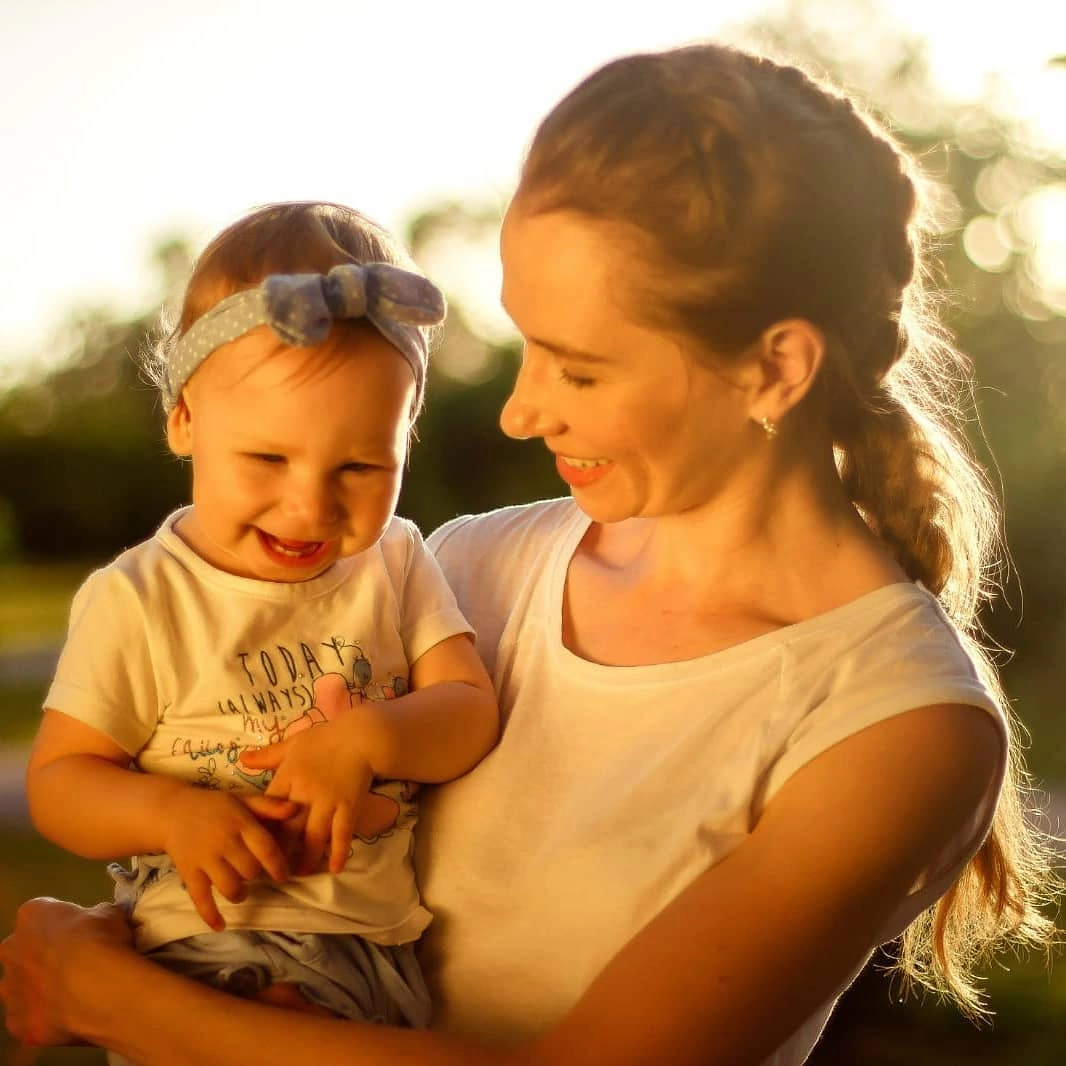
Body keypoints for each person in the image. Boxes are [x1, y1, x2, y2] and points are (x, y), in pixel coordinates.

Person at [1, 42, 1059, 1066]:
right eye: (525, 343)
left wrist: (107, 995)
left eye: (580, 368)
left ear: (775, 366)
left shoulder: (897, 732)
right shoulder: (463, 567)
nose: (516, 412)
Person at [13, 202, 499, 1045]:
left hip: (381, 953)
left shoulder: (395, 561)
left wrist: (369, 739)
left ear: (405, 442)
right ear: (185, 423)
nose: (311, 505)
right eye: (267, 458)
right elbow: (60, 784)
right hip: (204, 950)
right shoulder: (144, 596)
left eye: (361, 465)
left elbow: (468, 709)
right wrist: (168, 814)